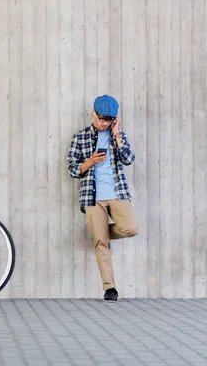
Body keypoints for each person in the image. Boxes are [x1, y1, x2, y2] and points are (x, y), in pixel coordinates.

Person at [67, 94, 138, 302]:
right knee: (101, 243)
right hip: (93, 196)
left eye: (110, 120)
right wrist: (89, 162)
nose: (105, 123)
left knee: (131, 228)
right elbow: (72, 169)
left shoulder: (118, 135)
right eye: (102, 119)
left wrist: (117, 135)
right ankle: (110, 288)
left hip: (117, 193)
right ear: (94, 113)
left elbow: (129, 159)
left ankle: (100, 233)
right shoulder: (80, 138)